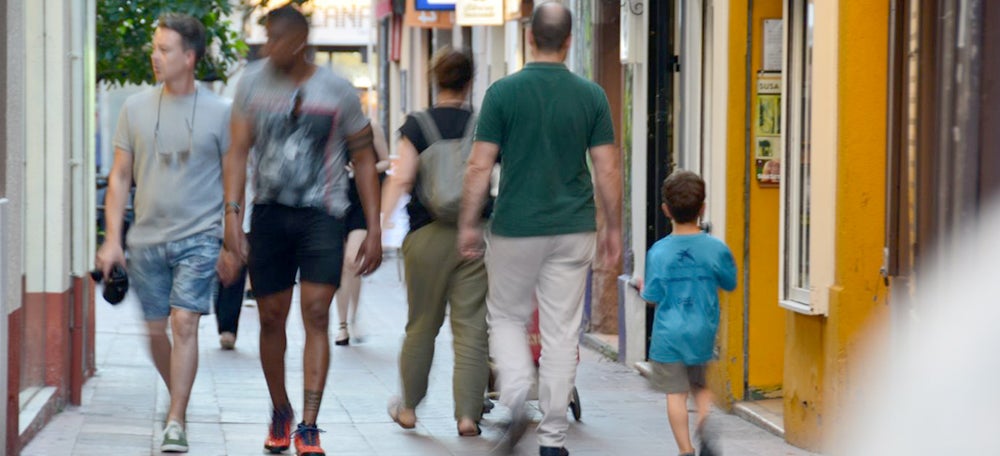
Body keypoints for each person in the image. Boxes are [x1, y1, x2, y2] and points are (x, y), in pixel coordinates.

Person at [216, 6, 382, 456]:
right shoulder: (250, 84)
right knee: (271, 317)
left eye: (276, 40)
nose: (268, 49)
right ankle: (280, 409)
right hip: (268, 212)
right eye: (266, 40)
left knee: (315, 314)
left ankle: (309, 425)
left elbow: (364, 157)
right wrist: (232, 215)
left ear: (299, 42)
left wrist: (374, 227)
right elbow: (236, 152)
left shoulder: (338, 91)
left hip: (322, 215)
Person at [457, 3, 623, 455]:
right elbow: (607, 169)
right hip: (573, 228)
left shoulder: (502, 94)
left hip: (515, 227)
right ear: (568, 41)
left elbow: (478, 165)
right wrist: (614, 228)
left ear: (530, 37)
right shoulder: (591, 96)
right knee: (561, 333)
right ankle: (552, 441)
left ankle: (514, 397)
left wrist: (469, 222)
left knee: (507, 317)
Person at [94, 13, 230, 453]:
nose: (155, 56)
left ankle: (176, 418)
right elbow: (118, 178)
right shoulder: (134, 109)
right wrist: (112, 239)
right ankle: (179, 398)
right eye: (155, 48)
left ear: (189, 58)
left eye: (164, 49)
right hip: (146, 241)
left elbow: (234, 182)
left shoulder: (221, 114)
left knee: (184, 322)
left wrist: (232, 238)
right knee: (156, 332)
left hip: (199, 236)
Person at [381, 48, 489, 437]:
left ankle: (408, 408)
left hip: (426, 236)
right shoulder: (483, 124)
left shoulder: (417, 125)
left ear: (434, 79)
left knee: (422, 325)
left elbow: (402, 178)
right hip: (474, 236)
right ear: (470, 81)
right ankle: (467, 416)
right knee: (473, 328)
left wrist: (380, 225)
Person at [638, 171, 737, 456]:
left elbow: (652, 296)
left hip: (669, 335)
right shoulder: (716, 248)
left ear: (665, 210)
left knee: (675, 394)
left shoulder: (658, 251)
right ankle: (705, 423)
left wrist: (644, 288)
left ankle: (685, 450)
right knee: (700, 385)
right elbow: (729, 282)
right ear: (702, 208)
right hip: (702, 330)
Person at [335, 119, 390, 346]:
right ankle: (342, 325)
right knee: (341, 265)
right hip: (337, 199)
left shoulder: (371, 127)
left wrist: (363, 168)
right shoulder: (331, 129)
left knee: (352, 260)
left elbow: (386, 162)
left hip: (362, 201)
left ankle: (354, 317)